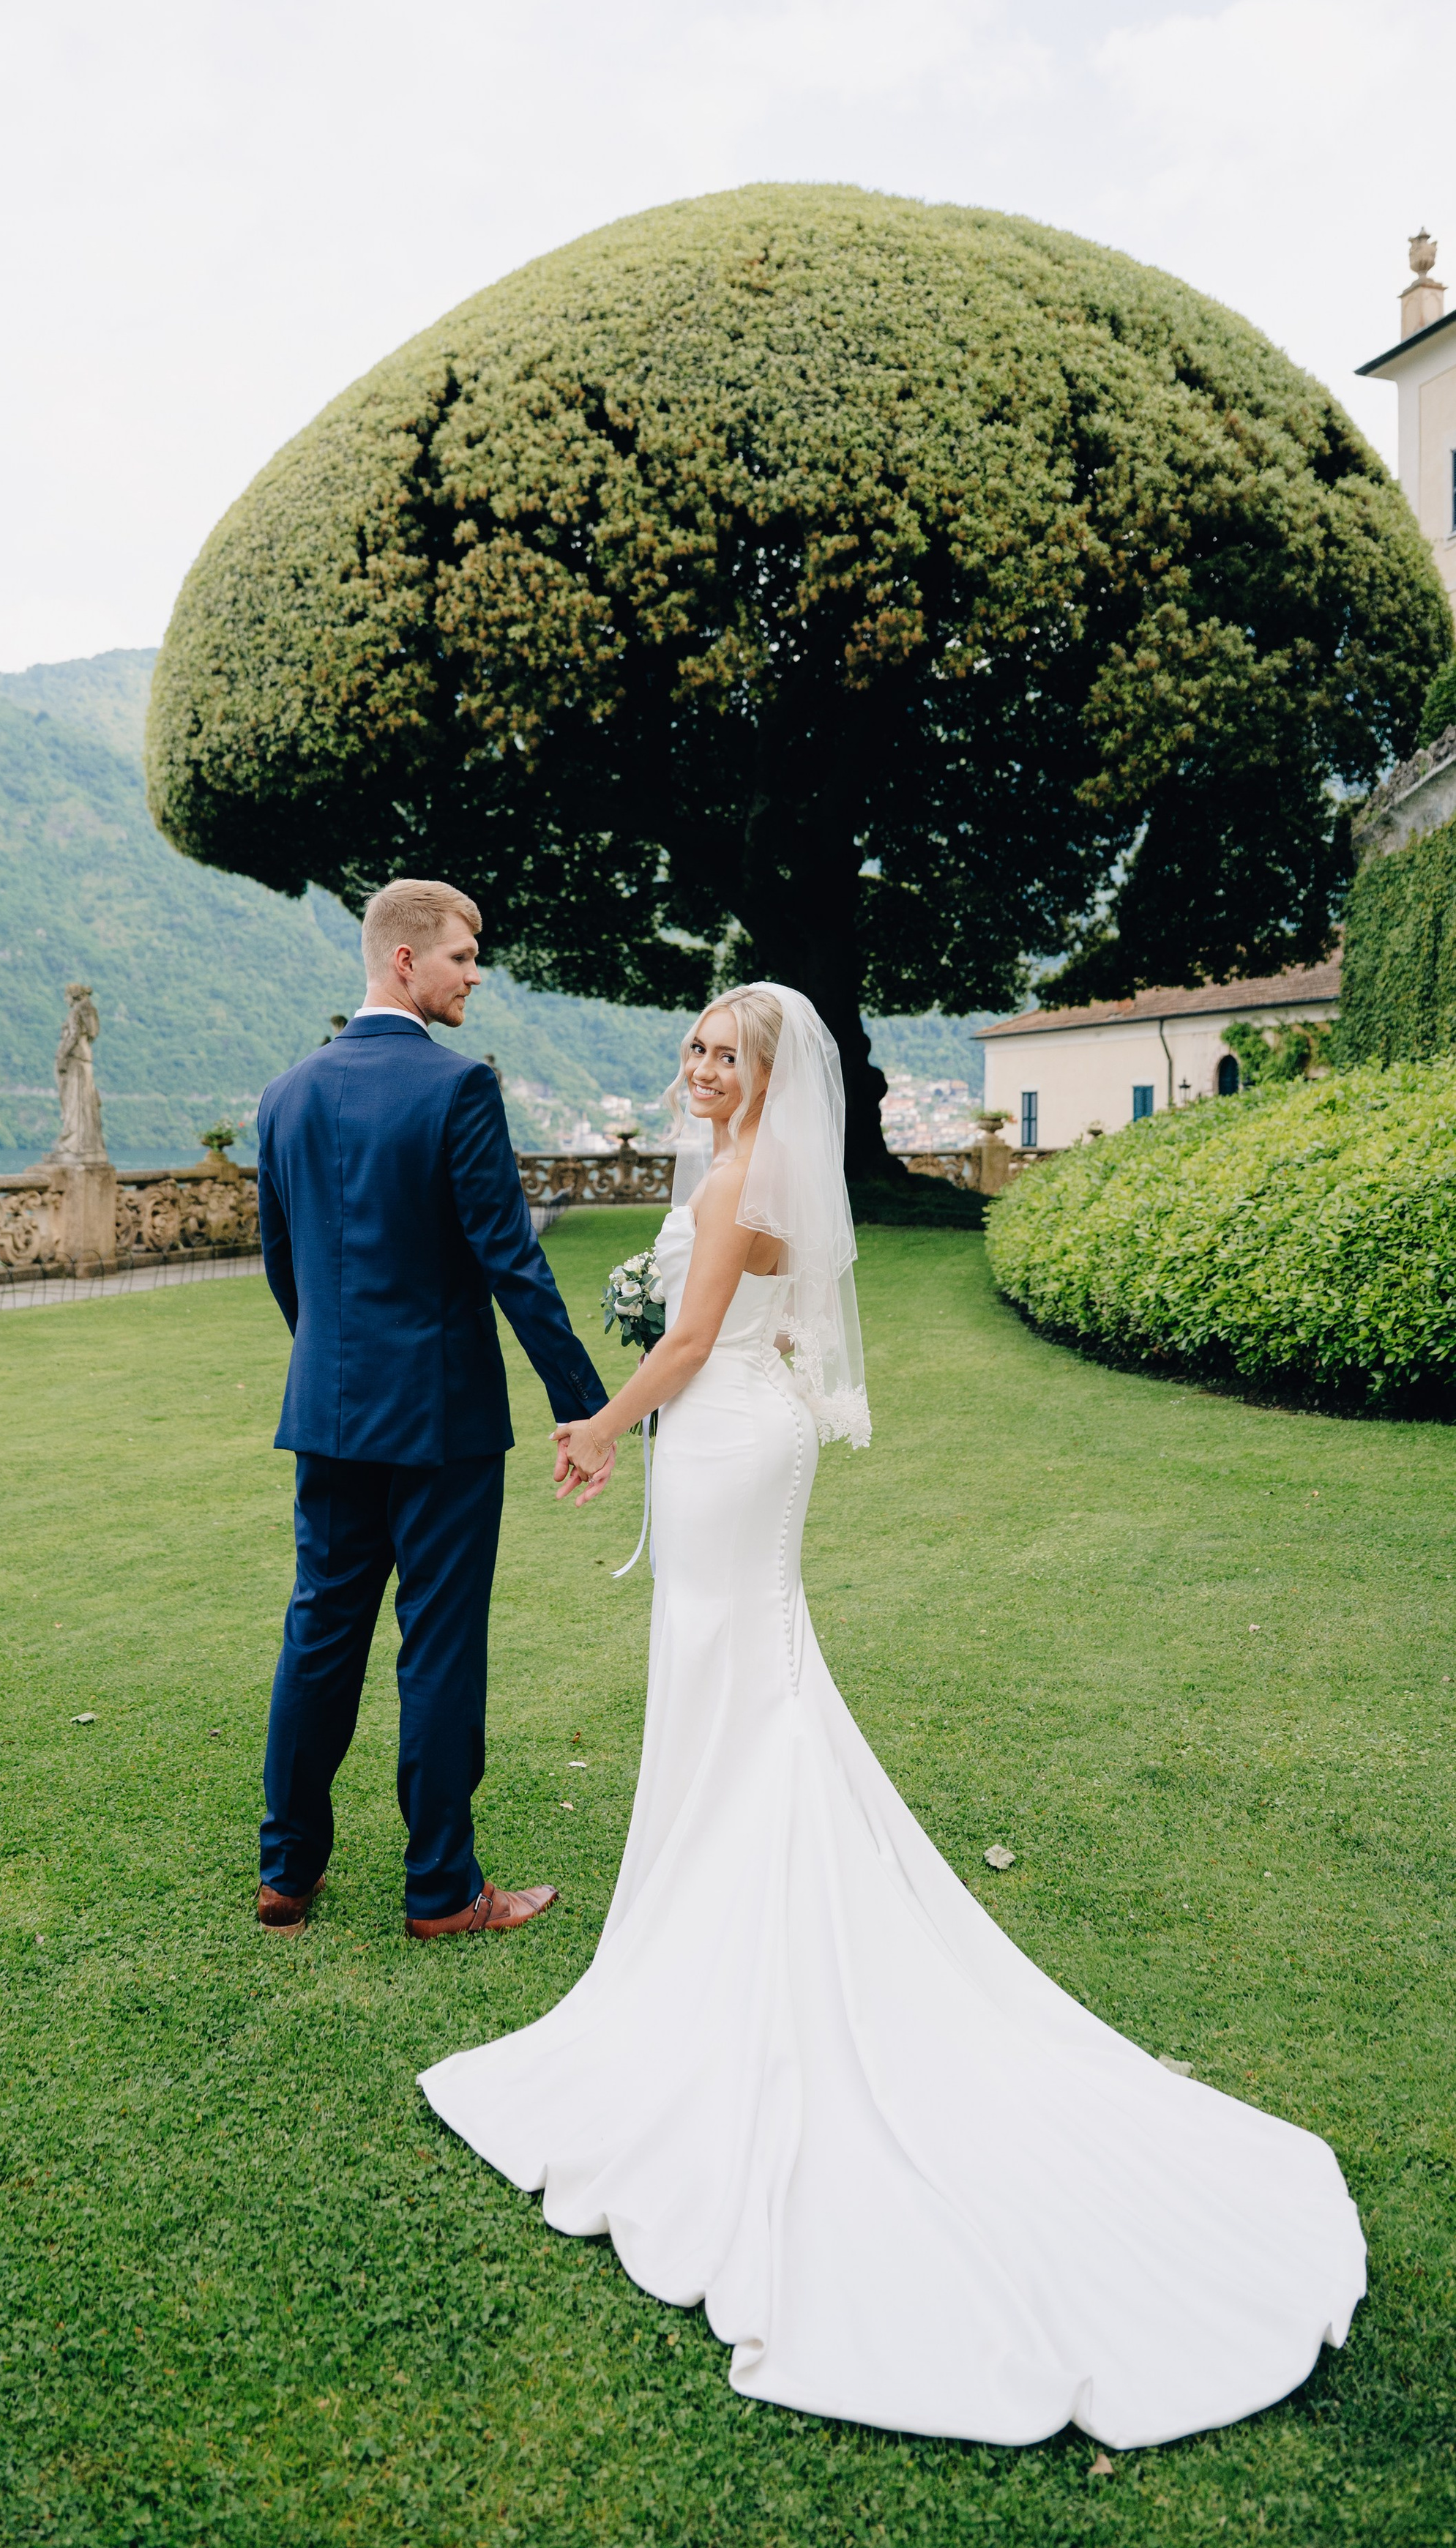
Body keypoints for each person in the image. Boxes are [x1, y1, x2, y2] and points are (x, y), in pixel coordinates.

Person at [420, 983, 1366, 2450]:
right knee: (741, 1677)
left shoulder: (738, 1181)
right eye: (692, 1049)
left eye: (722, 1055)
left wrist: (601, 1426)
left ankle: (729, 1933)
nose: (699, 1068)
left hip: (723, 1440)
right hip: (746, 1431)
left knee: (738, 1673)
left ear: (767, 1075)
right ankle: (711, 1899)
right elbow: (764, 1303)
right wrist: (699, 1378)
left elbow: (685, 1345)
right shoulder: (759, 1178)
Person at [254, 879, 616, 1940]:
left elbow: (288, 1271)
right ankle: (442, 1891)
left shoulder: (285, 1095)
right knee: (439, 1647)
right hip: (444, 1421)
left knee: (319, 1632)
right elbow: (512, 1263)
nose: (475, 973)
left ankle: (288, 1872)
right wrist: (584, 1407)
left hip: (328, 1411)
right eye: (464, 954)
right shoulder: (459, 1090)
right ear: (404, 960)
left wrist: (333, 1367)